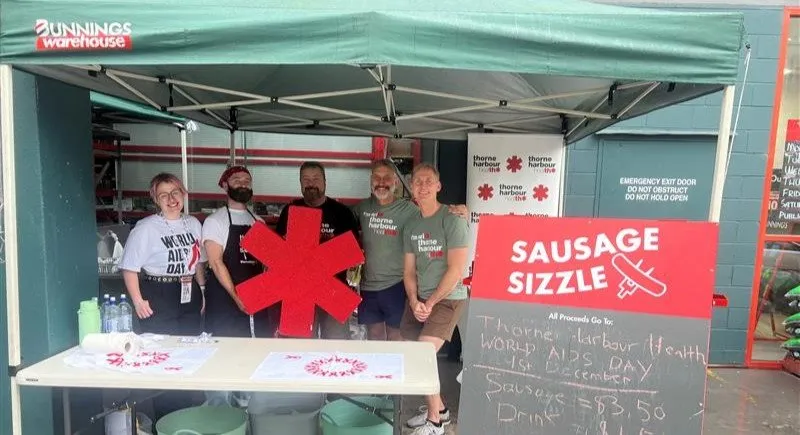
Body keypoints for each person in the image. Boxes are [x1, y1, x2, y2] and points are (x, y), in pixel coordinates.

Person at [118, 172, 206, 419]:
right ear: (155, 199)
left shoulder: (194, 224)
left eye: (175, 192)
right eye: (164, 195)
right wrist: (137, 300)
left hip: (188, 292)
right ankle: (167, 421)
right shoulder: (145, 228)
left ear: (184, 194)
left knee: (189, 356)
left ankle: (188, 417)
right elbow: (130, 267)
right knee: (163, 359)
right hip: (158, 293)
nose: (171, 199)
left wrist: (203, 291)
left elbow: (198, 262)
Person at [352, 159, 469, 341]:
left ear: (396, 182)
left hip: (400, 287)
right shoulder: (362, 208)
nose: (381, 182)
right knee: (378, 339)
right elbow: (339, 218)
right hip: (373, 287)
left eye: (387, 178)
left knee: (400, 340)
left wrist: (463, 212)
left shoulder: (411, 211)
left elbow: (434, 214)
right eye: (377, 177)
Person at [401, 163, 470, 435]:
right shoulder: (411, 225)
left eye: (429, 181)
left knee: (423, 353)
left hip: (448, 298)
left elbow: (456, 270)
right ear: (411, 187)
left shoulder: (453, 219)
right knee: (409, 351)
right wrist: (413, 300)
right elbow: (408, 271)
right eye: (418, 181)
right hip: (421, 298)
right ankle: (438, 408)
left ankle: (436, 423)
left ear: (439, 186)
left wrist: (430, 304)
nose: (423, 186)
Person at [274, 161, 360, 339]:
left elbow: (353, 253)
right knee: (299, 349)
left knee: (337, 348)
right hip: (299, 292)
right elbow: (279, 253)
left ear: (325, 181)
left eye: (315, 178)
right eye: (305, 179)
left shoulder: (342, 213)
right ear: (300, 183)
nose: (311, 183)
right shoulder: (290, 211)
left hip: (333, 289)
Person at [202, 165, 273, 338]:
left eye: (247, 181)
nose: (243, 184)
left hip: (255, 295)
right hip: (224, 299)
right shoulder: (215, 221)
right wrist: (237, 297)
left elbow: (266, 263)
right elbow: (216, 263)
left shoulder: (259, 222)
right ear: (225, 185)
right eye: (237, 180)